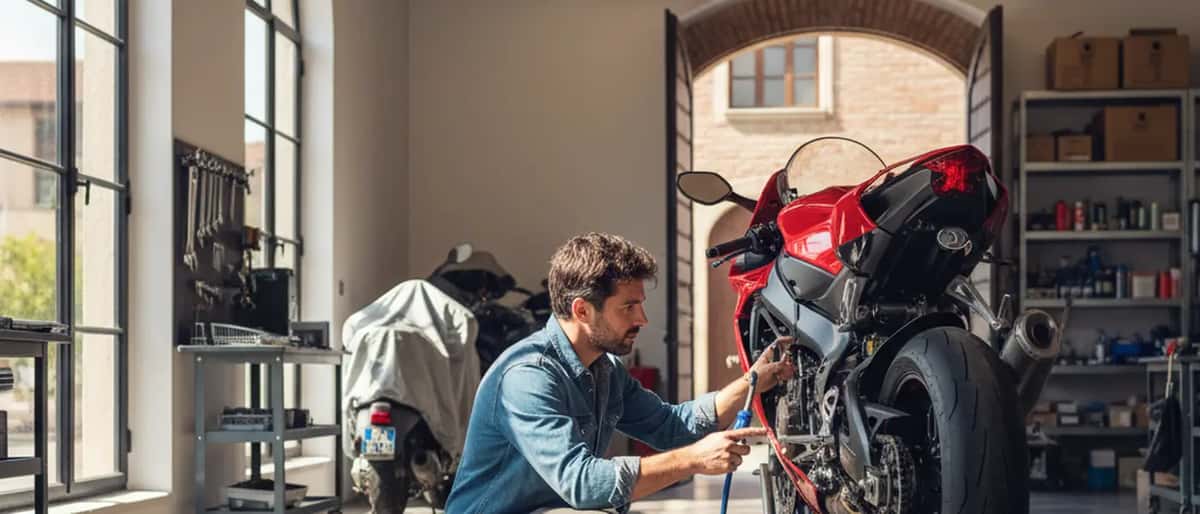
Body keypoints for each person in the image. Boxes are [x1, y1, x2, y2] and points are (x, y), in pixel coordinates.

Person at [445, 233, 795, 514]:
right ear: (582, 310)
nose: (642, 319)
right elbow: (581, 483)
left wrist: (751, 382)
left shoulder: (604, 369)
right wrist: (694, 459)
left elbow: (670, 427)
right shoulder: (527, 377)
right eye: (629, 306)